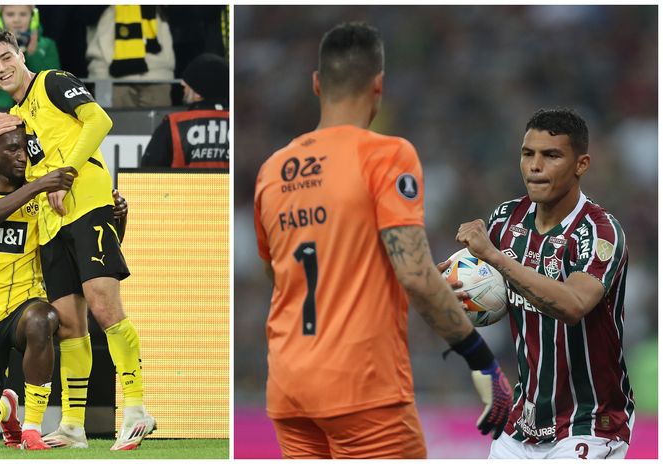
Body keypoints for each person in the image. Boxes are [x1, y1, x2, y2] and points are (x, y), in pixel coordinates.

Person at [252, 22, 513, 459]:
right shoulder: (387, 155)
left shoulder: (272, 170)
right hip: (362, 387)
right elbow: (413, 272)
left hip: (288, 387)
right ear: (379, 86)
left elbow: (278, 273)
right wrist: (481, 359)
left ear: (317, 84)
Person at [0, 29, 154, 451]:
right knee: (70, 325)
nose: (1, 69)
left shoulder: (51, 80)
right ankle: (73, 425)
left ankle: (137, 409)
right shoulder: (16, 117)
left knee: (105, 307)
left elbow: (99, 120)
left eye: (4, 58)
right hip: (52, 225)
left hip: (85, 201)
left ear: (20, 53)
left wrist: (67, 172)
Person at [454, 108, 634, 459]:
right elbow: (490, 290)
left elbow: (573, 306)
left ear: (581, 164)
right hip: (522, 422)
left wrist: (495, 258)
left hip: (591, 424)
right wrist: (454, 287)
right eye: (528, 154)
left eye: (551, 155)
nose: (535, 166)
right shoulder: (506, 220)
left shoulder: (599, 231)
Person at [0, 124, 77, 450]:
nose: (22, 157)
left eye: (25, 149)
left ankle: (33, 427)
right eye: (12, 149)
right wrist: (35, 187)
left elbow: (81, 255)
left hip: (24, 304)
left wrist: (119, 219)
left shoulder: (43, 195)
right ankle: (6, 407)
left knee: (40, 320)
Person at [141, 53, 229, 168]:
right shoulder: (241, 127)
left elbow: (147, 174)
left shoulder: (173, 124)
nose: (182, 84)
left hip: (183, 186)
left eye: (188, 83)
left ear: (197, 93)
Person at [86, 5, 175, 108]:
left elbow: (180, 15)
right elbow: (83, 15)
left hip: (156, 71)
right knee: (113, 123)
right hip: (108, 72)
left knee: (159, 122)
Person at [0, 5, 60, 109]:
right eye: (10, 14)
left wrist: (32, 53)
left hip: (40, 107)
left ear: (33, 17)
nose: (16, 20)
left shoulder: (47, 45)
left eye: (23, 14)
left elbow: (52, 81)